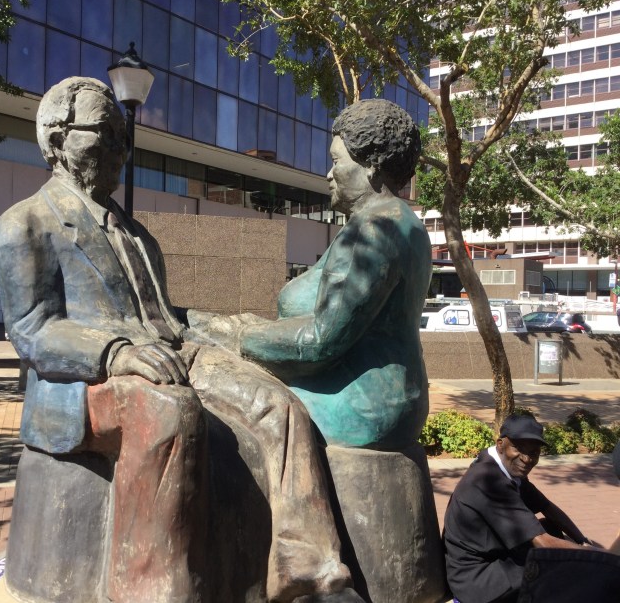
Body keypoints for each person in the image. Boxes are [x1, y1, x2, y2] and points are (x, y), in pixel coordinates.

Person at [0, 77, 360, 603]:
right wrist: (116, 354)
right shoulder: (24, 224)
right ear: (56, 140)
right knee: (170, 413)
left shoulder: (136, 234)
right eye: (104, 133)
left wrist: (227, 329)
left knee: (277, 404)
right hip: (80, 380)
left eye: (122, 136)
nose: (119, 149)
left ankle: (306, 568)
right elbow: (33, 330)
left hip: (171, 352)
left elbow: (166, 317)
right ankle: (152, 589)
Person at [191, 98, 431, 451]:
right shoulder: (403, 222)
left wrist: (239, 335)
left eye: (337, 161)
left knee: (209, 387)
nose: (329, 174)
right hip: (391, 400)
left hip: (359, 406)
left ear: (371, 166)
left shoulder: (372, 230)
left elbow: (321, 340)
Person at [443, 414, 596, 603]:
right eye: (518, 448)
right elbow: (542, 541)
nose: (526, 458)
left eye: (534, 452)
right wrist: (599, 558)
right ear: (501, 444)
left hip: (495, 557)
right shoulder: (488, 480)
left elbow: (548, 508)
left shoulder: (507, 468)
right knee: (557, 566)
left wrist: (582, 541)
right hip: (476, 580)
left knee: (551, 528)